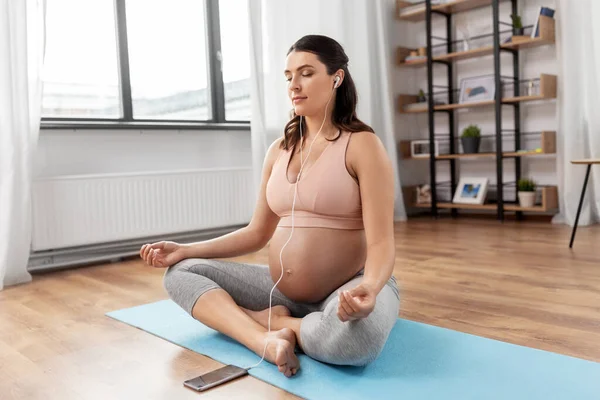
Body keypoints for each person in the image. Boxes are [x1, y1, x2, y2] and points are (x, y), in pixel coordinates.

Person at [139, 34, 399, 378]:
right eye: (289, 76)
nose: (294, 84)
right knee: (182, 273)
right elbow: (257, 232)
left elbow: (381, 242)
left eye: (306, 73)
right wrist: (185, 249)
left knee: (357, 343)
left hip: (348, 288)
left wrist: (370, 287)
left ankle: (279, 324)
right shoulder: (278, 150)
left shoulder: (363, 145)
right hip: (281, 289)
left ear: (336, 78)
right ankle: (264, 340)